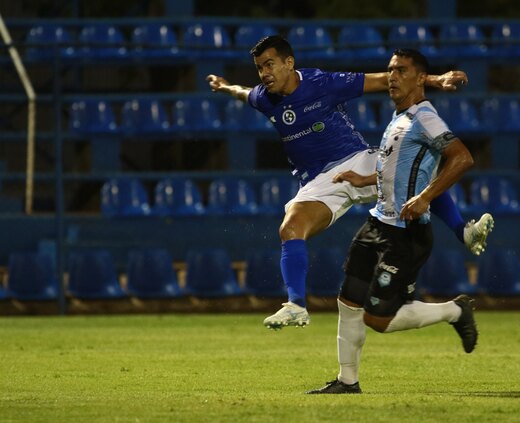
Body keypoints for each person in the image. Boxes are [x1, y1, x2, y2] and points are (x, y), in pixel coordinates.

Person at [206, 35, 493, 330]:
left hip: (356, 160)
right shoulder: (265, 97)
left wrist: (434, 79)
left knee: (409, 171)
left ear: (289, 63)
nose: (264, 73)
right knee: (290, 228)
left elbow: (384, 80)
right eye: (259, 67)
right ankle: (296, 306)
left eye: (270, 64)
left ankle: (464, 231)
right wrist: (225, 86)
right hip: (320, 182)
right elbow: (244, 93)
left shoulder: (321, 82)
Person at [307, 48, 478, 395]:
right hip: (377, 225)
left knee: (378, 320)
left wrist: (426, 197)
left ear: (420, 78)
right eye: (390, 70)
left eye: (401, 71)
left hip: (406, 235)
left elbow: (462, 158)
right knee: (348, 301)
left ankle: (454, 311)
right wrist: (364, 179)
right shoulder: (399, 117)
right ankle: (347, 381)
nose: (393, 77)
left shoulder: (425, 117)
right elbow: (398, 170)